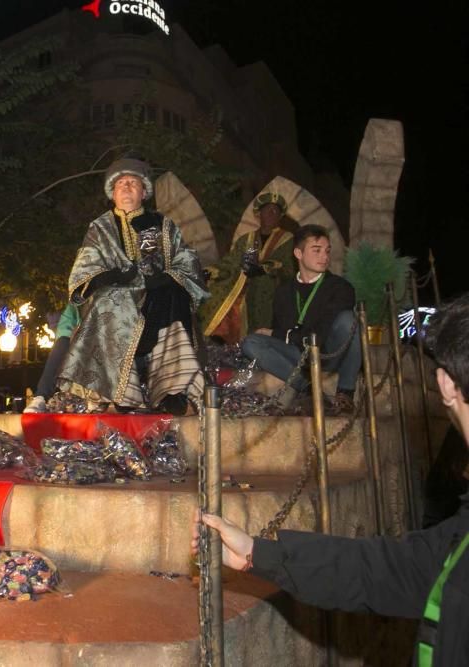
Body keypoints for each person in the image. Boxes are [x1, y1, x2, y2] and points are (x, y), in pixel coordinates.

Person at [192, 293, 469, 665]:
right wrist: (256, 552)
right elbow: (397, 569)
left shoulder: (337, 290)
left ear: (446, 386)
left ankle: (338, 394)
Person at [56, 156, 208, 415]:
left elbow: (187, 261)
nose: (127, 188)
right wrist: (111, 275)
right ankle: (120, 391)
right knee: (110, 301)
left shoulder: (164, 225)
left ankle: (172, 390)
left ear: (144, 192)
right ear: (112, 193)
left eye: (133, 183)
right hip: (116, 295)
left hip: (158, 296)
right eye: (121, 184)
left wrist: (167, 277)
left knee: (175, 295)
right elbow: (84, 271)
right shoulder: (100, 228)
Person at [240, 224, 360, 412]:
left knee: (347, 319)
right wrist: (278, 335)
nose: (324, 257)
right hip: (299, 355)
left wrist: (282, 334)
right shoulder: (284, 291)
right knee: (251, 342)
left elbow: (320, 333)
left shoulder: (340, 287)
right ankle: (308, 388)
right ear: (298, 253)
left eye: (327, 251)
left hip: (329, 354)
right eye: (317, 250)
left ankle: (345, 393)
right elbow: (281, 334)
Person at [199, 191, 297, 343]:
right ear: (259, 214)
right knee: (216, 298)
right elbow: (231, 262)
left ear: (280, 216)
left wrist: (263, 269)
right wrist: (211, 272)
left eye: (275, 211)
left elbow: (286, 266)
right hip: (242, 289)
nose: (271, 214)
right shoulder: (247, 239)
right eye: (267, 210)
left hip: (270, 291)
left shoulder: (287, 239)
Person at [24, 303, 80, 413]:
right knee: (63, 342)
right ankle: (41, 396)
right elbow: (66, 326)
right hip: (83, 338)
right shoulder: (81, 296)